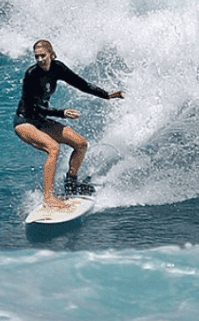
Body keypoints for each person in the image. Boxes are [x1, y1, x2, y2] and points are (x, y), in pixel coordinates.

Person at [14, 40, 124, 208]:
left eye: (43, 55)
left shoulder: (58, 68)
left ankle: (71, 184)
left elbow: (82, 84)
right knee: (53, 147)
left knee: (80, 144)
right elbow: (33, 108)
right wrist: (61, 113)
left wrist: (107, 95)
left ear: (51, 54)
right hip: (25, 121)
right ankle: (49, 197)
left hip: (41, 120)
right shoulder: (31, 75)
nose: (39, 59)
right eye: (36, 56)